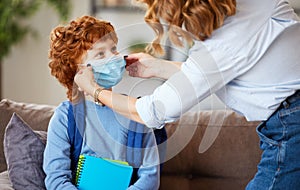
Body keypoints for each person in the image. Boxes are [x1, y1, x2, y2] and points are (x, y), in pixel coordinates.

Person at [74, 0, 300, 189]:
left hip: (292, 128)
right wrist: (159, 68)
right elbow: (225, 69)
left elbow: (152, 112)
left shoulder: (221, 42)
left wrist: (95, 90)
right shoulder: (254, 6)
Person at [43, 15, 165, 190]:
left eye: (114, 49)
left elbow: (150, 178)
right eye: (100, 53)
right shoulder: (65, 117)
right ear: (77, 70)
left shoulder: (136, 111)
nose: (114, 57)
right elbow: (56, 179)